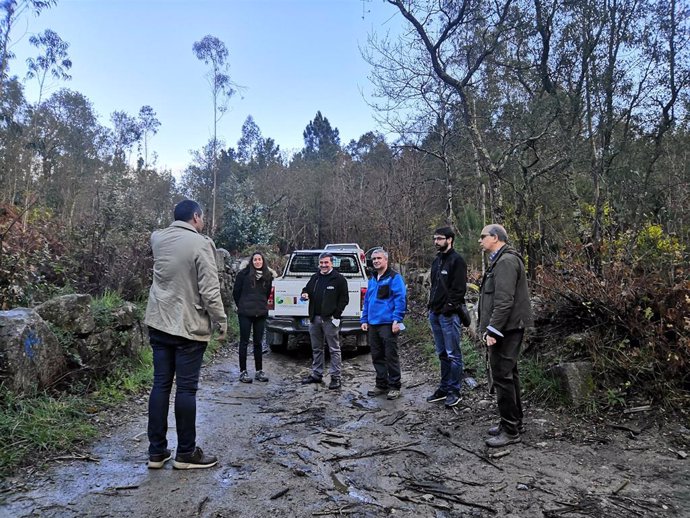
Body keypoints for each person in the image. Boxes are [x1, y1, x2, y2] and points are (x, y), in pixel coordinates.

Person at [144, 199, 226, 470]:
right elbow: (210, 290)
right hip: (187, 326)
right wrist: (221, 321)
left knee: (160, 385)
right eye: (202, 217)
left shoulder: (158, 239)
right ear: (195, 217)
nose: (202, 222)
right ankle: (186, 454)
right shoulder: (201, 244)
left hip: (158, 322)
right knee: (186, 389)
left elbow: (158, 240)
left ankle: (156, 452)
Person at [478, 224, 533, 448]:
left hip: (507, 329)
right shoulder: (500, 260)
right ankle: (512, 422)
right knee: (509, 375)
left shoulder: (506, 262)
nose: (480, 241)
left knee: (502, 376)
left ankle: (510, 430)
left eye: (483, 237)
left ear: (495, 237)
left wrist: (493, 330)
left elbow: (504, 300)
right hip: (507, 327)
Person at [426, 226, 468, 408]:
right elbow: (434, 285)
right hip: (435, 313)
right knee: (442, 353)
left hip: (448, 316)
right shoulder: (437, 260)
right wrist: (432, 308)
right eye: (435, 238)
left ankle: (454, 390)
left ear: (449, 239)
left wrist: (447, 308)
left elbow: (459, 290)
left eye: (440, 238)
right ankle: (443, 388)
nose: (436, 242)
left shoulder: (457, 261)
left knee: (453, 354)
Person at [360, 248, 407, 400]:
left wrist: (397, 320)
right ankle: (381, 384)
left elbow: (400, 299)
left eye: (379, 258)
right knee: (377, 355)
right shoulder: (373, 278)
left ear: (386, 260)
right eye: (374, 259)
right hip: (373, 324)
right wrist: (364, 319)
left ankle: (395, 386)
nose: (376, 261)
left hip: (388, 323)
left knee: (390, 356)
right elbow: (367, 300)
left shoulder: (394, 278)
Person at [300, 252, 349, 389]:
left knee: (334, 349)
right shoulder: (315, 277)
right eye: (321, 263)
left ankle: (335, 377)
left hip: (330, 320)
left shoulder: (339, 279)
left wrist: (336, 316)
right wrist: (304, 294)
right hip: (314, 319)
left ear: (332, 263)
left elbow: (344, 299)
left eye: (326, 262)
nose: (323, 265)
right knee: (317, 348)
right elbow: (307, 289)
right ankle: (317, 374)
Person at [233, 252, 273, 384]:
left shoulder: (268, 276)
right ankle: (243, 371)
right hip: (245, 313)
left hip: (260, 313)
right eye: (255, 259)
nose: (257, 262)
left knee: (258, 343)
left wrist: (261, 305)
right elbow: (236, 292)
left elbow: (267, 294)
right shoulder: (243, 275)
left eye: (259, 259)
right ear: (252, 261)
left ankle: (259, 370)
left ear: (263, 261)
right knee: (244, 342)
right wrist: (242, 305)